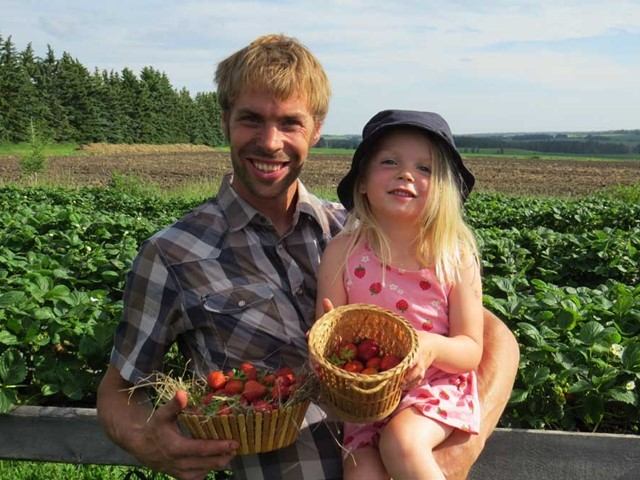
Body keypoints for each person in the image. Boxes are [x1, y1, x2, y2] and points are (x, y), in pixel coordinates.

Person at [97, 34, 519, 480]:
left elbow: (494, 340)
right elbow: (117, 391)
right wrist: (149, 442)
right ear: (225, 122)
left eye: (290, 123)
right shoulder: (172, 254)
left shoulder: (365, 230)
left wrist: (453, 451)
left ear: (316, 128)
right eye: (251, 120)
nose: (270, 142)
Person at [315, 109, 486, 479]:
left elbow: (471, 348)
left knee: (402, 441)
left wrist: (431, 346)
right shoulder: (342, 252)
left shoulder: (454, 255)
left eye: (425, 169)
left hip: (434, 389)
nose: (406, 174)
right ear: (361, 182)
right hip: (367, 398)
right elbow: (327, 340)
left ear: (442, 187)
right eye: (389, 161)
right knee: (362, 473)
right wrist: (330, 341)